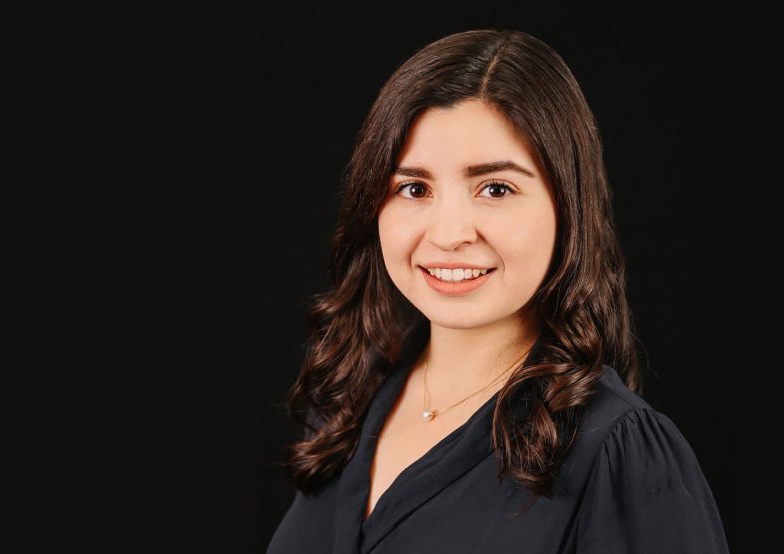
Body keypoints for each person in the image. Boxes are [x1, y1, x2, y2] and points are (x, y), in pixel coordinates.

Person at [267, 29, 729, 554]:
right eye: (414, 188)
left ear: (569, 207)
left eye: (495, 188)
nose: (449, 234)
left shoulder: (617, 456)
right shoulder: (351, 396)